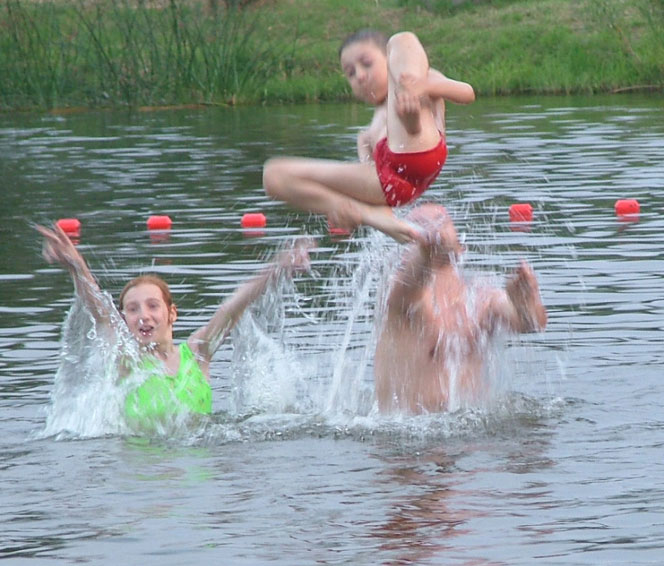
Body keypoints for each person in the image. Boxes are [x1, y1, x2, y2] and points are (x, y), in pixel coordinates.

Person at [36, 223, 313, 420]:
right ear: (124, 319)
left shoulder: (197, 353)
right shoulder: (126, 361)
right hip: (140, 473)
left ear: (172, 314)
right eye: (132, 309)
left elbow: (233, 307)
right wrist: (76, 266)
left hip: (195, 473)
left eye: (153, 306)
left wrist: (277, 269)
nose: (143, 315)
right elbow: (99, 310)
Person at [262, 30, 475, 241]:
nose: (360, 76)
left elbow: (467, 93)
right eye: (350, 73)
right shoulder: (367, 136)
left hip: (423, 148)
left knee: (402, 40)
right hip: (391, 186)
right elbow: (376, 192)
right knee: (273, 175)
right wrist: (343, 210)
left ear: (389, 60)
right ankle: (370, 217)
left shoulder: (418, 77)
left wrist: (422, 88)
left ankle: (412, 118)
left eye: (366, 63)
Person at [374, 203, 547, 415]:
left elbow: (532, 324)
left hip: (471, 429)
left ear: (461, 247)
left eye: (441, 220)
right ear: (405, 251)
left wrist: (524, 300)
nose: (433, 227)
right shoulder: (399, 296)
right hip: (409, 429)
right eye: (420, 224)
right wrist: (424, 251)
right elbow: (411, 281)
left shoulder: (481, 299)